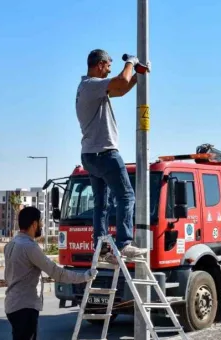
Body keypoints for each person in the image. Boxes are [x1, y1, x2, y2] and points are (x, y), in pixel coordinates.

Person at [3, 206, 97, 340]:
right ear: (34, 224)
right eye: (41, 223)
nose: (42, 227)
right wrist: (85, 276)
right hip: (25, 306)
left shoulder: (11, 245)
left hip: (13, 304)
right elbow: (56, 272)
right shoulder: (29, 247)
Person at [76, 49, 150, 261]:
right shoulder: (91, 85)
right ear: (100, 64)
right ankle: (124, 243)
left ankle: (101, 247)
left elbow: (121, 88)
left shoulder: (88, 88)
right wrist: (130, 62)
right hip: (105, 153)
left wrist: (138, 75)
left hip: (90, 155)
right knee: (126, 196)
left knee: (102, 204)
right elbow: (120, 79)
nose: (109, 70)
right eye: (108, 66)